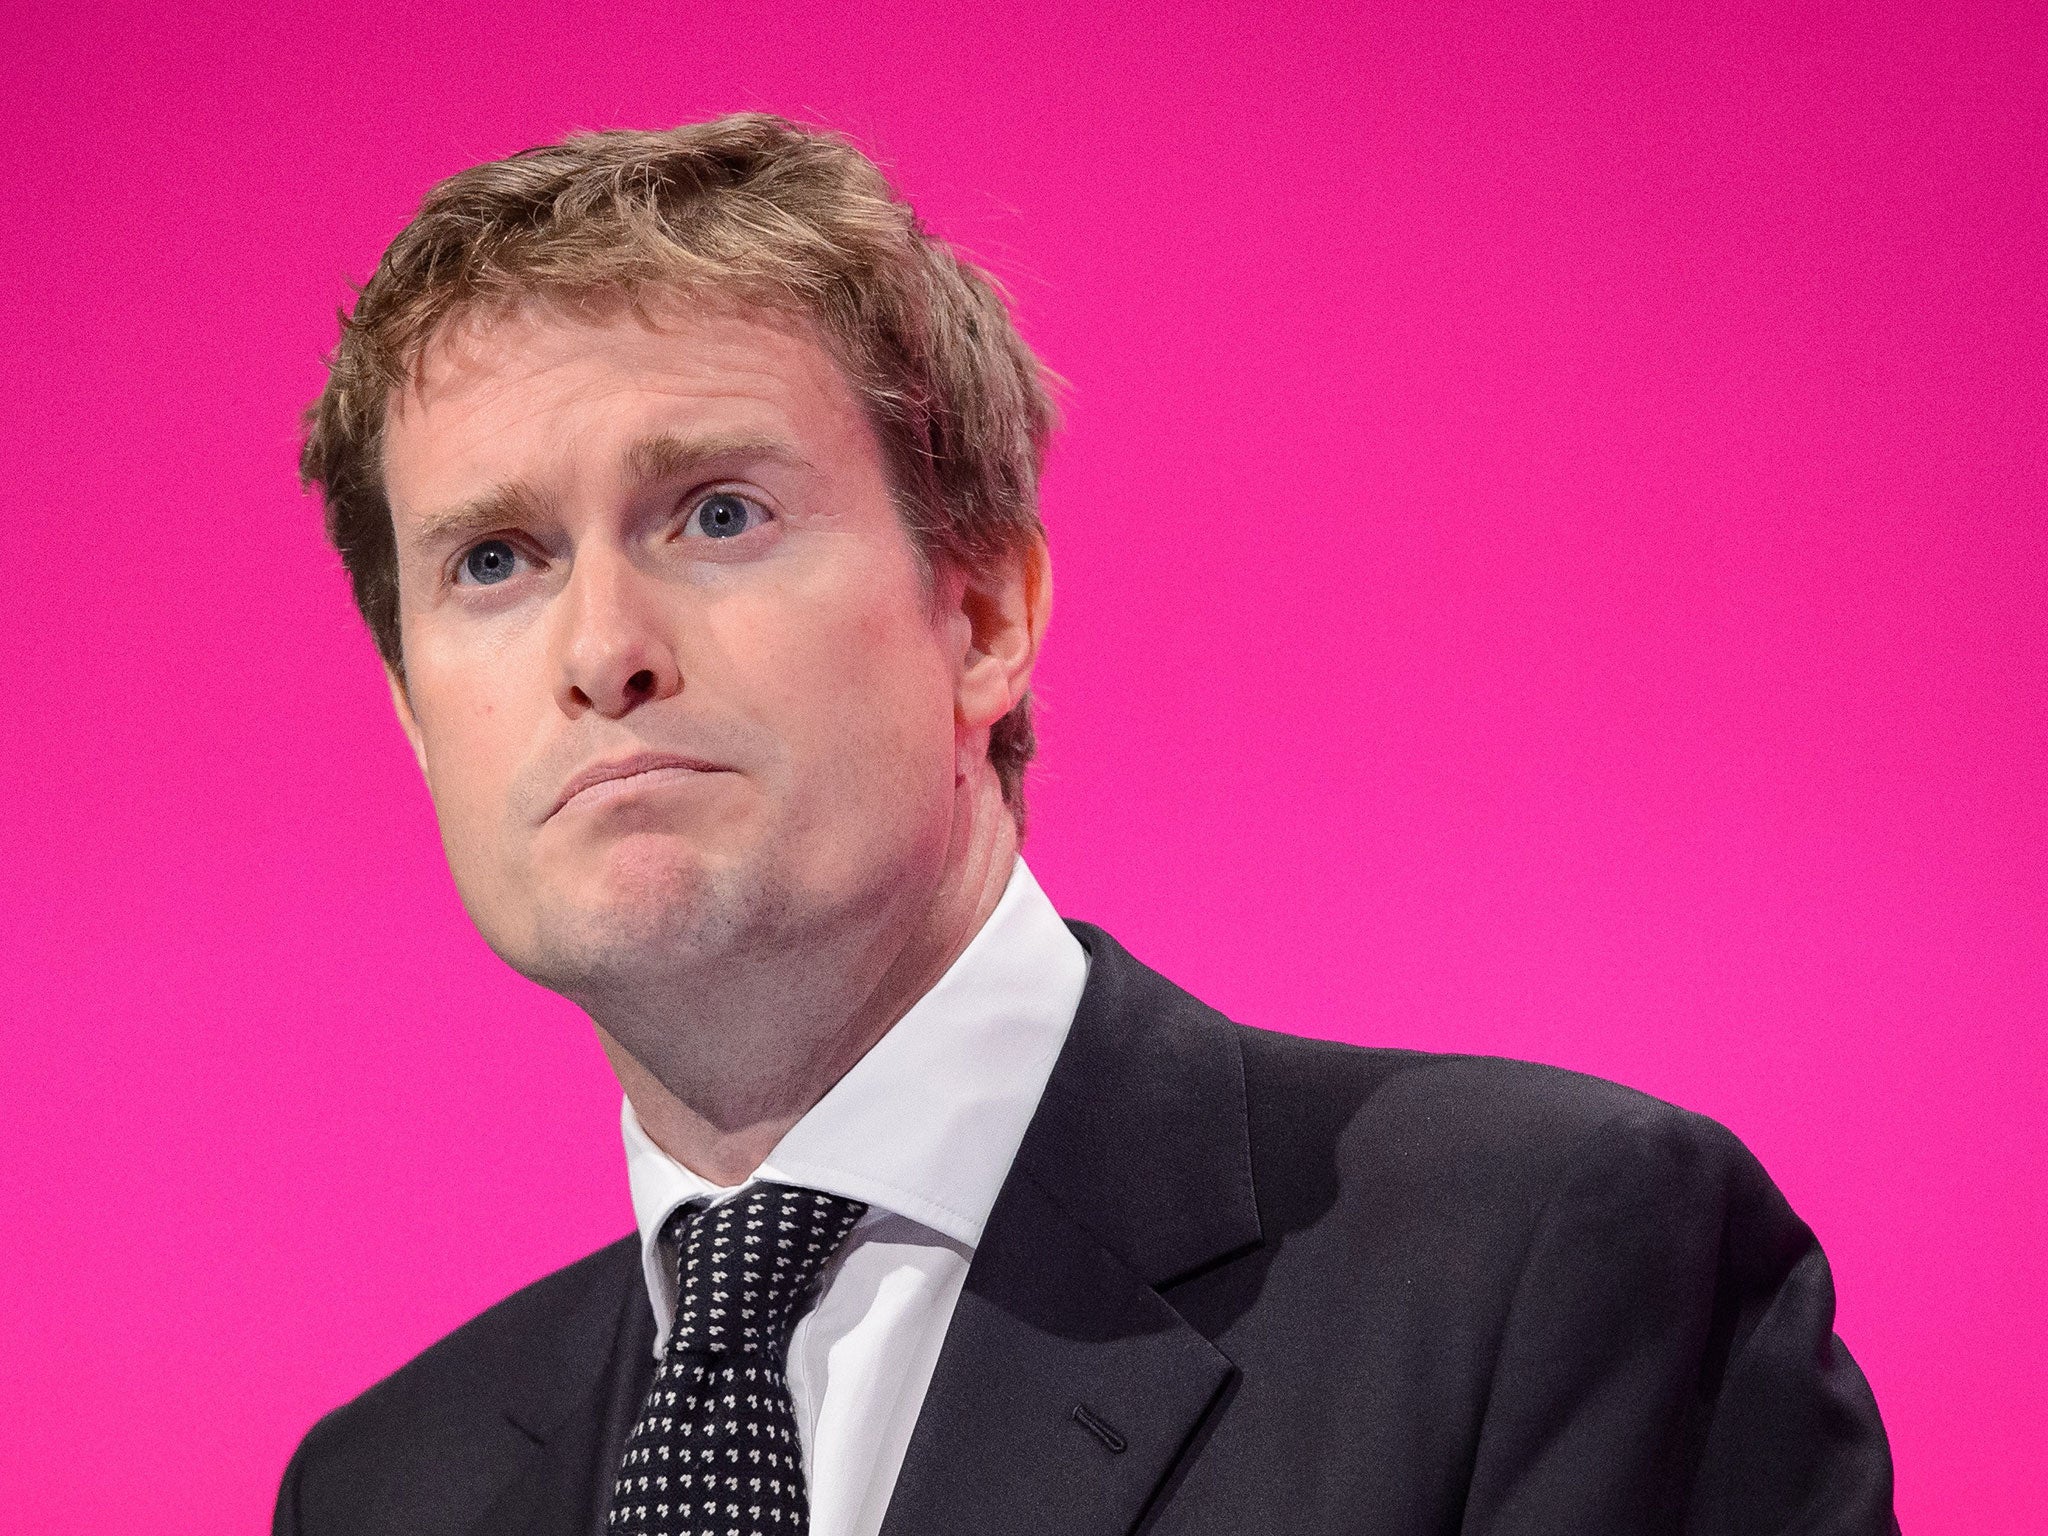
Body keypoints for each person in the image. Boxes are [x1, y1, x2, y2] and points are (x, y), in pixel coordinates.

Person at [276, 114, 1896, 1536]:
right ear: (420, 721)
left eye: (716, 513)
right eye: (493, 559)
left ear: (980, 613)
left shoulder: (1546, 1268)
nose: (600, 650)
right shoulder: (380, 1487)